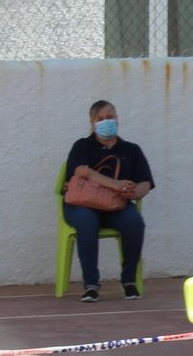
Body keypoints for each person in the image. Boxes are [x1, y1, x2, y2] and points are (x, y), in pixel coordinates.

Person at [63, 100, 154, 303]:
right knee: (86, 221)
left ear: (117, 118)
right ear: (92, 123)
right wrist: (115, 185)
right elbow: (80, 171)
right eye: (101, 119)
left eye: (110, 117)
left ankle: (129, 281)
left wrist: (133, 191)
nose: (107, 122)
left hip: (116, 207)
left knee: (134, 223)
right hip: (82, 205)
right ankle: (91, 285)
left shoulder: (131, 150)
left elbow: (146, 183)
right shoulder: (82, 146)